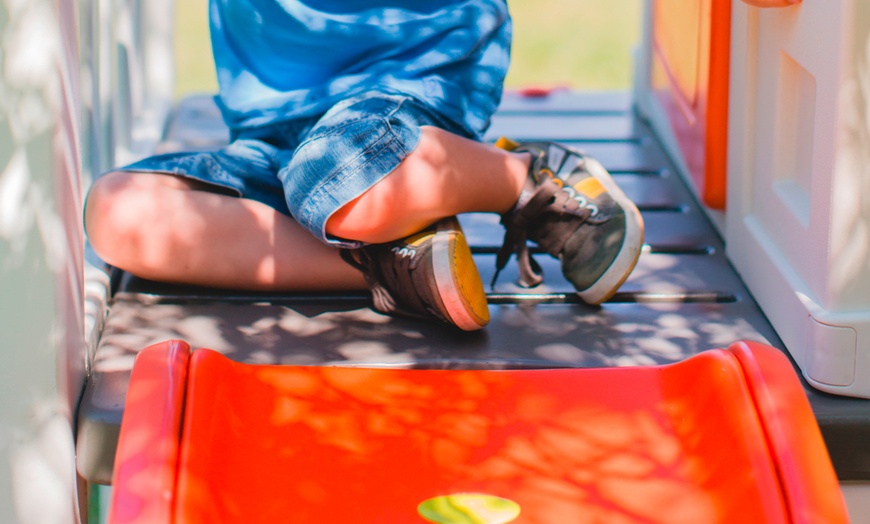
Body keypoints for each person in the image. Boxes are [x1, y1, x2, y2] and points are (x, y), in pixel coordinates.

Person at [84, 0, 644, 332]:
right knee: (117, 212)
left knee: (342, 174)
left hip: (405, 87)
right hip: (273, 130)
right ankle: (390, 259)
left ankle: (523, 180)